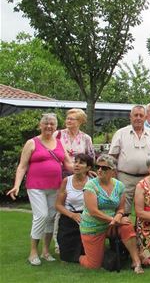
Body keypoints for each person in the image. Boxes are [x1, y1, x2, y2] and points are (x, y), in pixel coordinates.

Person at [7, 113, 73, 266]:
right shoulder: (32, 143)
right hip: (36, 186)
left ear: (56, 127)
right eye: (46, 124)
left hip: (55, 186)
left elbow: (68, 164)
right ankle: (33, 252)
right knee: (41, 216)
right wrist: (16, 185)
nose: (49, 126)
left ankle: (45, 251)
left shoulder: (59, 143)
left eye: (52, 124)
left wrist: (84, 171)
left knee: (50, 217)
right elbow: (22, 166)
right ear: (40, 126)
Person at [79, 155, 143, 273]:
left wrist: (117, 217)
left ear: (113, 171)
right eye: (98, 167)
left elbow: (121, 209)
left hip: (111, 224)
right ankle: (78, 256)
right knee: (94, 265)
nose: (99, 170)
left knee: (127, 225)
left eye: (104, 168)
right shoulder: (90, 185)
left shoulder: (119, 186)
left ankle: (136, 261)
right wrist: (115, 219)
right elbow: (93, 211)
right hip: (92, 226)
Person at [52, 108, 95, 254]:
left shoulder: (86, 138)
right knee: (59, 209)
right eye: (68, 118)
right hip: (59, 175)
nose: (68, 120)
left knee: (79, 205)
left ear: (80, 121)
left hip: (79, 176)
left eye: (72, 119)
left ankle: (82, 240)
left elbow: (90, 156)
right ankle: (58, 242)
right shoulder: (57, 135)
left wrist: (87, 171)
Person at [109, 105, 150, 213]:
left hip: (147, 177)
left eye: (141, 115)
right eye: (135, 115)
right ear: (130, 117)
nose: (138, 118)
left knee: (148, 207)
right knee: (124, 209)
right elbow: (112, 157)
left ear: (145, 117)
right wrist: (113, 177)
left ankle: (144, 230)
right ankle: (124, 229)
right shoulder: (121, 133)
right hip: (125, 177)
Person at [55, 153, 93, 263]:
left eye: (81, 163)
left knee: (86, 254)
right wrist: (72, 215)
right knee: (67, 257)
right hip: (69, 217)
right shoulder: (67, 181)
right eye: (75, 162)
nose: (76, 165)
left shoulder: (92, 181)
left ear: (88, 167)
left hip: (87, 218)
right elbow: (58, 205)